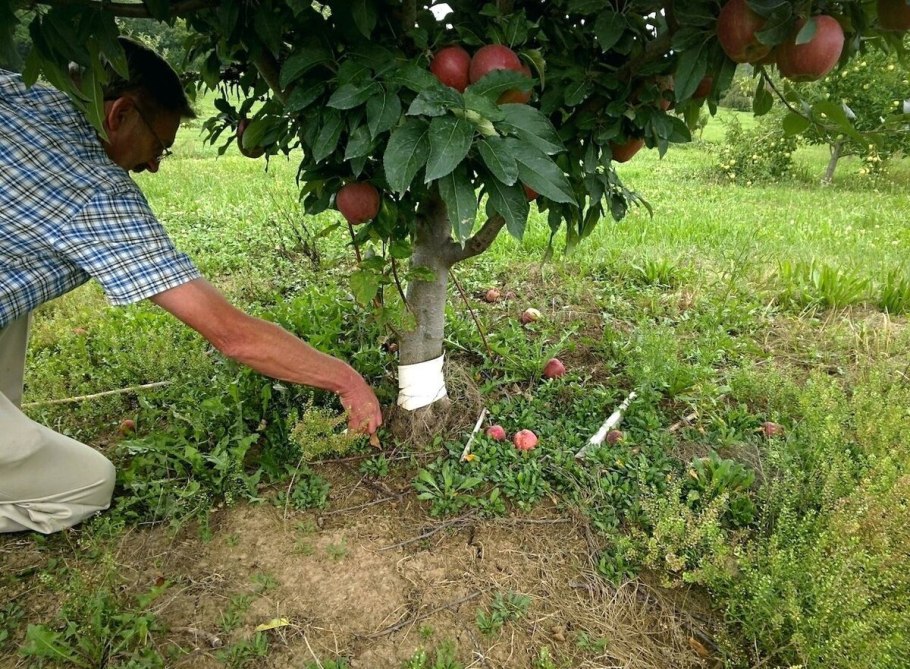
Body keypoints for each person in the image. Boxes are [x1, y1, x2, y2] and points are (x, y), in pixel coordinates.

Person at [0, 38, 383, 535]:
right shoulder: (94, 191)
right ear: (119, 115)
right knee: (87, 484)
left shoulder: (18, 92)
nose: (155, 165)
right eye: (159, 145)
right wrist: (345, 379)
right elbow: (232, 334)